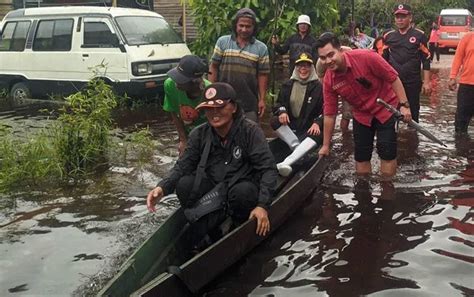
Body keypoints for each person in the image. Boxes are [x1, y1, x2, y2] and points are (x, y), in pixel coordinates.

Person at [147, 82, 278, 242]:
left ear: (234, 108)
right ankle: (210, 231)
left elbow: (268, 169)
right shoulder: (199, 133)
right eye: (209, 109)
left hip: (241, 189)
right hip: (215, 190)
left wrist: (262, 206)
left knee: (242, 193)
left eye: (220, 107)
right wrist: (162, 187)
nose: (214, 113)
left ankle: (238, 228)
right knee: (184, 184)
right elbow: (183, 165)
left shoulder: (251, 132)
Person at [315, 32, 411, 178]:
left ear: (340, 50)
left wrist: (404, 105)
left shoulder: (366, 57)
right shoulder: (329, 80)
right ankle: (363, 189)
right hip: (361, 115)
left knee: (386, 152)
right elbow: (329, 113)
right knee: (361, 156)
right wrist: (326, 145)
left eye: (331, 55)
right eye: (323, 58)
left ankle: (387, 188)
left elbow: (393, 78)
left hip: (385, 108)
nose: (328, 61)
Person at [209, 8, 270, 122]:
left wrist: (262, 99)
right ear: (235, 26)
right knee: (223, 132)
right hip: (223, 99)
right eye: (241, 25)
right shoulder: (223, 42)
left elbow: (263, 75)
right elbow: (214, 67)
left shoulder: (261, 48)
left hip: (249, 102)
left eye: (248, 26)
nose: (244, 29)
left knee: (250, 134)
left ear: (254, 27)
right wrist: (212, 91)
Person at [271, 52, 323, 176]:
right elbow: (278, 104)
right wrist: (282, 111)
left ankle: (286, 163)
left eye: (306, 66)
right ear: (296, 68)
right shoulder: (287, 85)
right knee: (274, 120)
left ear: (311, 68)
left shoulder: (318, 87)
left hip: (308, 130)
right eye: (300, 66)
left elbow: (326, 110)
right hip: (291, 129)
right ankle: (298, 150)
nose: (303, 69)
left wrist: (317, 122)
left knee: (320, 133)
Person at [381, 3, 431, 123]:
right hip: (394, 82)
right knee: (392, 113)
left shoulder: (420, 35)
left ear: (410, 17)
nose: (400, 19)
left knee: (413, 114)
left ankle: (412, 139)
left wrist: (427, 82)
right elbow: (383, 61)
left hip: (413, 82)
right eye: (397, 17)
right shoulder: (388, 36)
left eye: (403, 16)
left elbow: (426, 58)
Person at [163, 55, 211, 155]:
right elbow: (174, 113)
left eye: (180, 80)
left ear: (195, 82)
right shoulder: (170, 85)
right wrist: (183, 140)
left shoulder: (210, 93)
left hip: (208, 135)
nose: (176, 83)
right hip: (188, 134)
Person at [316, 45, 353, 134]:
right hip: (330, 83)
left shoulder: (348, 52)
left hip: (347, 82)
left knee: (347, 113)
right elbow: (322, 80)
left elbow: (352, 71)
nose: (328, 60)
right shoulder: (320, 63)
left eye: (331, 55)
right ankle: (330, 135)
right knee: (329, 111)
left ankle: (344, 134)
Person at [448, 32, 474, 136]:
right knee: (461, 120)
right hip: (467, 84)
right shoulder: (468, 38)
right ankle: (460, 148)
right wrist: (453, 77)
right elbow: (458, 57)